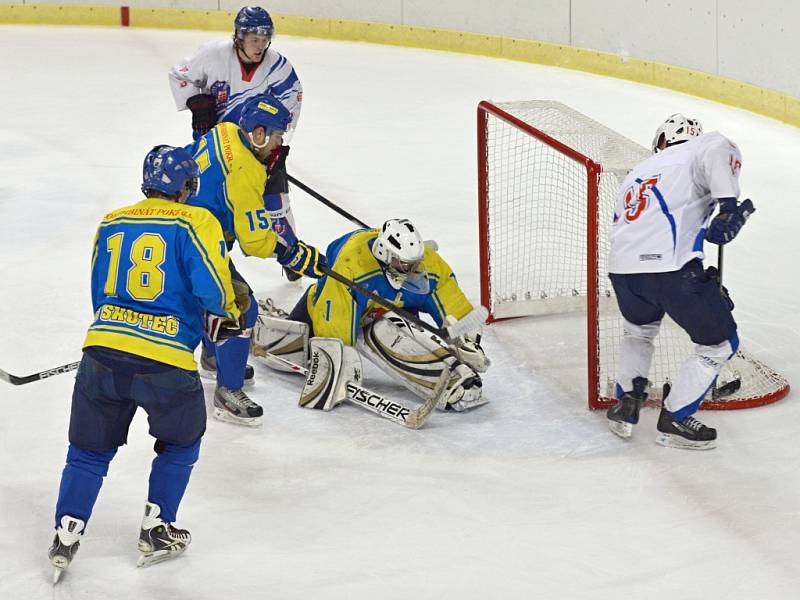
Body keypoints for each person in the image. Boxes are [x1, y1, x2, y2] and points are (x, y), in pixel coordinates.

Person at [48, 146, 243, 580]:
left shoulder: (112, 220)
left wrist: (117, 326)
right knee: (181, 442)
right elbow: (212, 285)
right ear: (186, 187)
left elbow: (100, 290)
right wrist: (225, 314)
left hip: (101, 353)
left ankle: (66, 530)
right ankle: (157, 529)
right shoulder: (196, 220)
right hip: (166, 362)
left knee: (87, 452)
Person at [605, 114, 755, 450]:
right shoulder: (701, 147)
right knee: (720, 343)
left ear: (661, 140)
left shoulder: (637, 173)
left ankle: (626, 404)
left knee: (638, 332)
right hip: (672, 270)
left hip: (623, 271)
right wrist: (729, 207)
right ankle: (675, 417)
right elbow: (720, 147)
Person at [186, 92, 324, 426]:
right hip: (196, 245)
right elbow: (257, 241)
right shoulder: (245, 171)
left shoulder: (223, 131)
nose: (279, 144)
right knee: (241, 306)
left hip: (183, 229)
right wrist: (295, 254)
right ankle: (228, 394)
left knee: (213, 299)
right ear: (258, 134)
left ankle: (213, 356)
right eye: (277, 136)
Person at [252, 219, 490, 412]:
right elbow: (334, 323)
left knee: (390, 329)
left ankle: (455, 379)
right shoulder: (351, 265)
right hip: (333, 306)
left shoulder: (427, 264)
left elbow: (452, 303)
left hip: (386, 311)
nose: (411, 270)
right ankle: (253, 326)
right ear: (384, 254)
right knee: (286, 349)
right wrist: (337, 357)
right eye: (403, 263)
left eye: (413, 263)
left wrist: (466, 339)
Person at [168, 6, 303, 277]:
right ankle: (209, 257)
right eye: (254, 39)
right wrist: (197, 103)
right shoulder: (212, 55)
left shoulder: (279, 67)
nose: (260, 45)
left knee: (276, 200)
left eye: (265, 39)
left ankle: (291, 252)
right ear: (239, 37)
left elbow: (291, 103)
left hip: (260, 149)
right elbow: (179, 74)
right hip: (218, 146)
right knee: (213, 206)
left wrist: (279, 144)